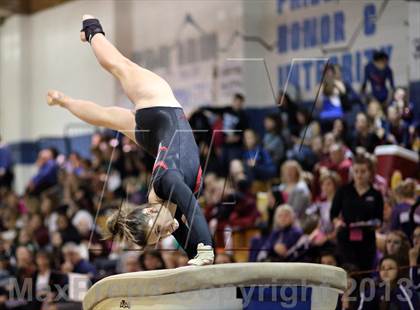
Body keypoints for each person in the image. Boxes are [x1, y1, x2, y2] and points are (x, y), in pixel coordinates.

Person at [46, 15, 214, 265]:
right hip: (156, 134)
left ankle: (91, 28)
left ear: (149, 212)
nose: (167, 233)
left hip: (159, 104)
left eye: (158, 231)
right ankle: (65, 101)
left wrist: (206, 248)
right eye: (160, 236)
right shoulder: (168, 213)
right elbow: (191, 250)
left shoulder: (167, 184)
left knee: (119, 66)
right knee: (106, 117)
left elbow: (192, 210)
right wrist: (198, 254)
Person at [330, 154, 383, 271]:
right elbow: (333, 214)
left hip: (367, 239)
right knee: (348, 271)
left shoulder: (376, 194)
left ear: (370, 172)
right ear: (352, 172)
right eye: (356, 171)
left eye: (363, 171)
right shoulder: (343, 190)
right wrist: (337, 222)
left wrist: (374, 224)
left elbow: (380, 219)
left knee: (364, 272)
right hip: (346, 237)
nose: (359, 175)